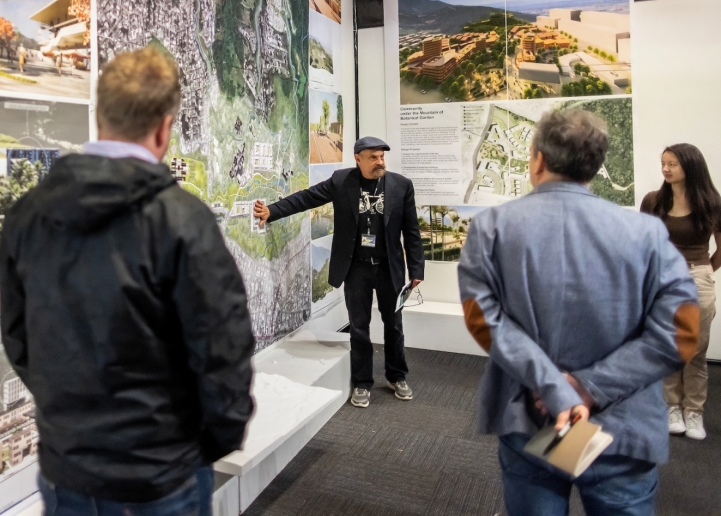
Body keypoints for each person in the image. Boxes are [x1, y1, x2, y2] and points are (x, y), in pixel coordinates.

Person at [0, 47, 254, 516]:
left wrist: (74, 423)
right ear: (164, 128)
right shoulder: (182, 221)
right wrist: (207, 444)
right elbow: (223, 348)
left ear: (100, 115)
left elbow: (18, 340)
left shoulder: (26, 214)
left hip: (66, 468)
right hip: (161, 476)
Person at [457, 110, 699, 516]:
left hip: (531, 418)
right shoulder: (647, 233)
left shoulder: (492, 227)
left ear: (536, 160)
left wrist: (556, 387)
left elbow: (483, 318)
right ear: (595, 165)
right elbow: (682, 333)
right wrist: (589, 386)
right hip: (622, 424)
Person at [254, 136, 424, 408]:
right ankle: (362, 383)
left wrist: (416, 269)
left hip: (388, 269)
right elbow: (307, 198)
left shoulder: (401, 186)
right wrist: (272, 211)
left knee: (394, 326)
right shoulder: (342, 181)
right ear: (358, 158)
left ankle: (396, 376)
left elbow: (412, 232)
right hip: (355, 268)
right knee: (359, 328)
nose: (380, 162)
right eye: (373, 157)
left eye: (381, 157)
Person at [641, 143, 721, 441]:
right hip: (662, 278)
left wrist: (702, 271)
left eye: (672, 163)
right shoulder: (653, 201)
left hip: (697, 276)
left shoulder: (712, 202)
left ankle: (694, 412)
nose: (666, 168)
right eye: (663, 163)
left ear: (690, 166)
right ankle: (671, 407)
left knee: (696, 350)